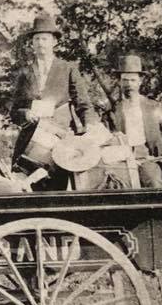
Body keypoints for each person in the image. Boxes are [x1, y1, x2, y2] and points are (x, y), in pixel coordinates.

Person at [9, 13, 99, 188]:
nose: (40, 43)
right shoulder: (24, 73)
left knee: (57, 185)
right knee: (28, 186)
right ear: (32, 43)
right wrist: (25, 114)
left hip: (60, 136)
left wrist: (90, 125)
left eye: (44, 39)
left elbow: (83, 103)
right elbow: (14, 111)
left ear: (54, 42)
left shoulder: (68, 69)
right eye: (36, 39)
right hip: (31, 140)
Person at [109, 54, 162, 187]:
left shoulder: (153, 108)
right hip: (121, 164)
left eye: (133, 80)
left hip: (148, 160)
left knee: (154, 184)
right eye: (125, 80)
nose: (129, 84)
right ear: (119, 82)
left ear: (140, 81)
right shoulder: (112, 111)